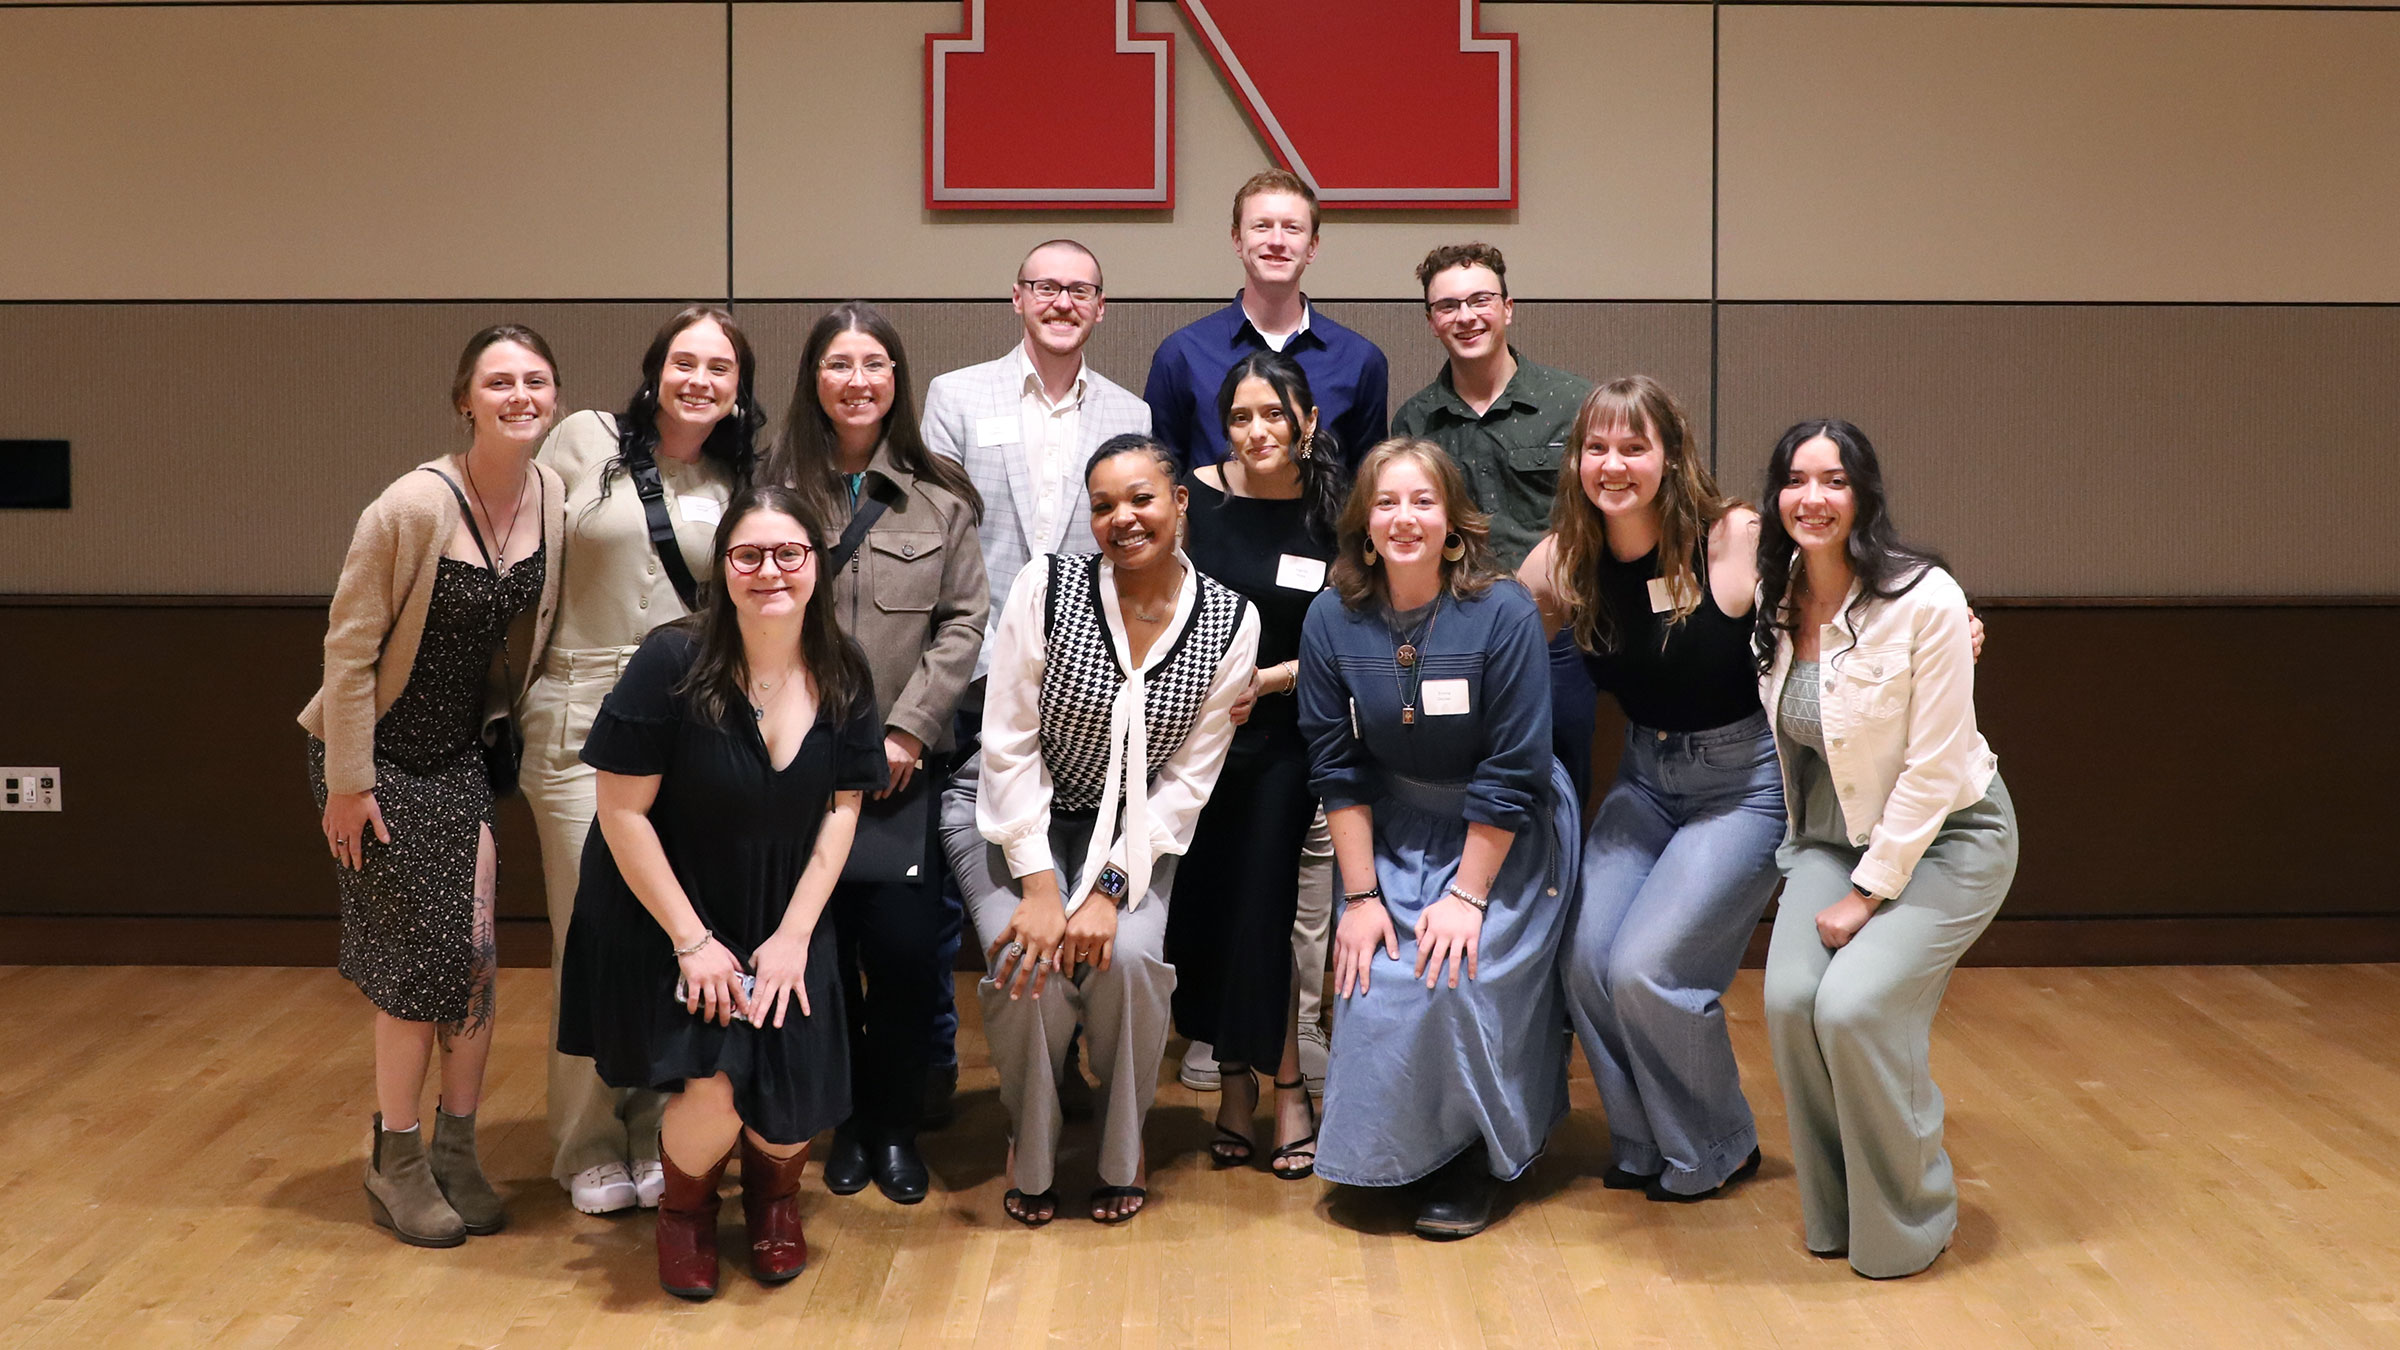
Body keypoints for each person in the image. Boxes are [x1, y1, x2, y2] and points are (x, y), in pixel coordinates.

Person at [556, 485, 889, 1300]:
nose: (769, 571)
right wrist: (693, 942)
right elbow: (621, 815)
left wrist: (795, 937)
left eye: (789, 553)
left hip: (784, 907)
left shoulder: (844, 669)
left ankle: (775, 1200)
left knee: (792, 1094)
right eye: (748, 555)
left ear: (816, 565)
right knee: (715, 1087)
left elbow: (843, 811)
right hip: (670, 906)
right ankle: (686, 1213)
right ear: (723, 567)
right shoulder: (670, 662)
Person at [940, 434, 1259, 1227]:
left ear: (1179, 501)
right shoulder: (1046, 586)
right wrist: (1042, 888)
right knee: (1027, 960)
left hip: (1135, 831)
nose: (1124, 518)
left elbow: (1187, 784)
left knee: (1132, 960)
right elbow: (1007, 743)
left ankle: (1123, 1144)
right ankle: (1032, 1140)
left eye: (1142, 498)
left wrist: (1108, 890)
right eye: (1104, 505)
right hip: (1011, 814)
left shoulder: (1231, 619)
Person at [299, 324, 567, 1247]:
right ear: (465, 400)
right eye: (499, 382)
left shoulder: (550, 495)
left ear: (555, 398)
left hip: (456, 755)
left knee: (479, 956)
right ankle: (397, 1158)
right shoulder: (411, 506)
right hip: (373, 759)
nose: (520, 396)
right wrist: (348, 782)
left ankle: (458, 1149)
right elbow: (347, 651)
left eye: (536, 381)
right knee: (420, 965)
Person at [1753, 419, 2018, 1280]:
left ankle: (1909, 1219)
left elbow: (1936, 767)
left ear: (1864, 495)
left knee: (1854, 1008)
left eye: (1834, 481)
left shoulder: (1926, 598)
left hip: (1947, 836)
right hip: (1830, 832)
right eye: (1797, 480)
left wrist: (1866, 895)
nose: (1814, 498)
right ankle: (1838, 1212)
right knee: (1790, 1002)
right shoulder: (1774, 593)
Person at [1296, 438, 1578, 1241]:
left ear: (1453, 521)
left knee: (1459, 974)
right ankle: (1399, 1153)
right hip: (1394, 829)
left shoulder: (1503, 611)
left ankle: (1475, 1158)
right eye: (1386, 502)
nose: (1404, 518)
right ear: (1364, 521)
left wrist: (1466, 897)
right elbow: (1335, 766)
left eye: (1423, 501)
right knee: (1375, 973)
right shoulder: (1330, 616)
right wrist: (1360, 898)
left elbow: (1516, 767)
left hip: (1506, 833)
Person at [521, 304, 768, 1215]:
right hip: (578, 711)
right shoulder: (584, 441)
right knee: (588, 931)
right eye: (684, 362)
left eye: (720, 368)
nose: (699, 380)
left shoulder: (741, 479)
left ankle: (661, 1127)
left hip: (685, 722)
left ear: (739, 389)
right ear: (655, 369)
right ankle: (586, 1138)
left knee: (676, 930)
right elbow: (517, 545)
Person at [1517, 377, 1784, 1202]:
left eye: (1634, 447)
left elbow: (1851, 592)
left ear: (1671, 456)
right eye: (1597, 447)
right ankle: (1644, 1142)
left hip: (1743, 785)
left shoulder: (1733, 538)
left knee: (1647, 970)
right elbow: (1486, 639)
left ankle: (1718, 1143)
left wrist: (1946, 618)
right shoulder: (1564, 558)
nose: (1613, 464)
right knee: (1587, 962)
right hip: (1646, 777)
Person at [759, 302, 987, 1205]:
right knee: (822, 949)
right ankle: (846, 1120)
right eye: (839, 365)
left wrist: (909, 729)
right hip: (795, 767)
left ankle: (895, 1124)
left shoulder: (940, 494)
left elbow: (963, 622)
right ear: (813, 379)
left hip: (899, 772)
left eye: (874, 365)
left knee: (900, 954)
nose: (857, 381)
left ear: (897, 378)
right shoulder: (773, 487)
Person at [921, 238, 1152, 1120]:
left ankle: (1073, 1057)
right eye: (1045, 286)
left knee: (1078, 858)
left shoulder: (1129, 410)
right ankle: (973, 1070)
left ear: (1102, 307)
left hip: (1093, 683)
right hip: (977, 671)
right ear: (1017, 297)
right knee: (975, 882)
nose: (1062, 301)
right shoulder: (957, 397)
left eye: (1080, 289)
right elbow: (941, 540)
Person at [1168, 351, 1346, 1180]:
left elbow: (1355, 640)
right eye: (1240, 417)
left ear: (1308, 421)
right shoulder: (1192, 500)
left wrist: (1274, 679)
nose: (1257, 431)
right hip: (1194, 742)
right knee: (1205, 912)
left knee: (1266, 911)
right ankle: (1233, 1084)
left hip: (1285, 739)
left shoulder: (1335, 510)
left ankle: (1288, 1087)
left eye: (1274, 414)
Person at [1389, 243, 1601, 802]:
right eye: (1447, 306)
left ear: (1508, 307)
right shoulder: (1415, 420)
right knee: (1471, 788)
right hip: (1455, 637)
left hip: (1559, 638)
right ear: (1431, 321)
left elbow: (1602, 514)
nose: (1466, 316)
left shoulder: (1572, 402)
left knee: (1560, 791)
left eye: (1480, 300)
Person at [1143, 170, 1389, 471]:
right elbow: (1161, 479)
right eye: (1262, 226)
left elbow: (1368, 485)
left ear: (1312, 247)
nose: (1276, 241)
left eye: (1292, 228)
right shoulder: (1182, 355)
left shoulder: (1359, 360)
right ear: (1237, 240)